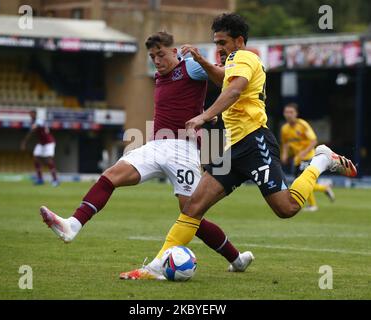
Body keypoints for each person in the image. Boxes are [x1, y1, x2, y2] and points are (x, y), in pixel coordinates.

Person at [39, 31, 254, 280]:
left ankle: (236, 259)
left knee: (191, 214)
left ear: (174, 52)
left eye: (161, 54)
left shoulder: (191, 67)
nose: (157, 60)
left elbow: (225, 79)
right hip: (155, 144)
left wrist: (204, 72)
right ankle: (72, 226)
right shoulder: (158, 75)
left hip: (184, 150)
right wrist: (205, 111)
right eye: (152, 56)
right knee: (111, 176)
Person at [150, 13, 357, 264]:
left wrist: (204, 116)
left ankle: (321, 161)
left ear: (239, 41)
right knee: (193, 207)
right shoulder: (235, 63)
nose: (219, 49)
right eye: (216, 43)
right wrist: (202, 60)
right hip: (234, 148)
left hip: (254, 142)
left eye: (222, 43)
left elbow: (234, 90)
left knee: (287, 208)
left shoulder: (244, 57)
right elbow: (225, 81)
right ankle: (157, 264)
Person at [281, 103, 335, 211]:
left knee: (302, 182)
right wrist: (284, 154)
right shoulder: (285, 129)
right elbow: (286, 143)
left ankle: (314, 204)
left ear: (296, 113)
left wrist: (303, 153)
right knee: (301, 182)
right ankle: (323, 190)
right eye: (286, 112)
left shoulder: (302, 125)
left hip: (308, 157)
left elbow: (314, 140)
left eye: (291, 112)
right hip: (297, 159)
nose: (288, 114)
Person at [21, 110, 59, 187]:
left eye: (32, 113)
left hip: (49, 142)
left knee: (49, 160)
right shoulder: (33, 122)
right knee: (35, 158)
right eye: (30, 114)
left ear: (35, 114)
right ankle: (40, 179)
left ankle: (55, 180)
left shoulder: (39, 121)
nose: (30, 115)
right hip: (41, 143)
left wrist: (24, 141)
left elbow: (32, 131)